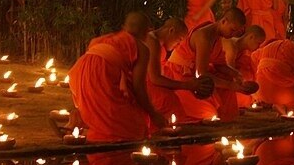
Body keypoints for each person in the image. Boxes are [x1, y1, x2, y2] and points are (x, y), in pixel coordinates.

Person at [68, 12, 166, 142]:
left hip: (80, 73)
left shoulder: (103, 39)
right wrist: (154, 114)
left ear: (124, 27)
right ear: (146, 31)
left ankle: (92, 124)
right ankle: (106, 134)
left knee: (106, 113)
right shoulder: (142, 48)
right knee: (137, 127)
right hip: (101, 75)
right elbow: (139, 88)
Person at [163, 8, 253, 122]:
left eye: (237, 32)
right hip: (180, 74)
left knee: (227, 80)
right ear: (224, 21)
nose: (233, 35)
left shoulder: (217, 36)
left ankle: (228, 118)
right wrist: (232, 85)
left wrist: (236, 74)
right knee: (209, 113)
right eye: (232, 30)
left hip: (195, 75)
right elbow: (201, 74)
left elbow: (219, 65)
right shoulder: (204, 36)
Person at [144, 18, 213, 126]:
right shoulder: (153, 42)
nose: (178, 45)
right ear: (171, 30)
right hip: (142, 86)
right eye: (178, 40)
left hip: (150, 84)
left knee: (175, 101)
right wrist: (186, 85)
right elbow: (154, 78)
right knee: (169, 101)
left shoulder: (158, 44)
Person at [251, 29, 294, 115]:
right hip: (283, 96)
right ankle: (284, 107)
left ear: (291, 38)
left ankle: (274, 104)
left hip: (261, 93)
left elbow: (253, 57)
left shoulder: (272, 44)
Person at [214, 25, 266, 108]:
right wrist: (241, 84)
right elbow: (227, 71)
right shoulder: (231, 47)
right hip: (215, 75)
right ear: (251, 37)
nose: (258, 47)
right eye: (258, 43)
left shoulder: (242, 51)